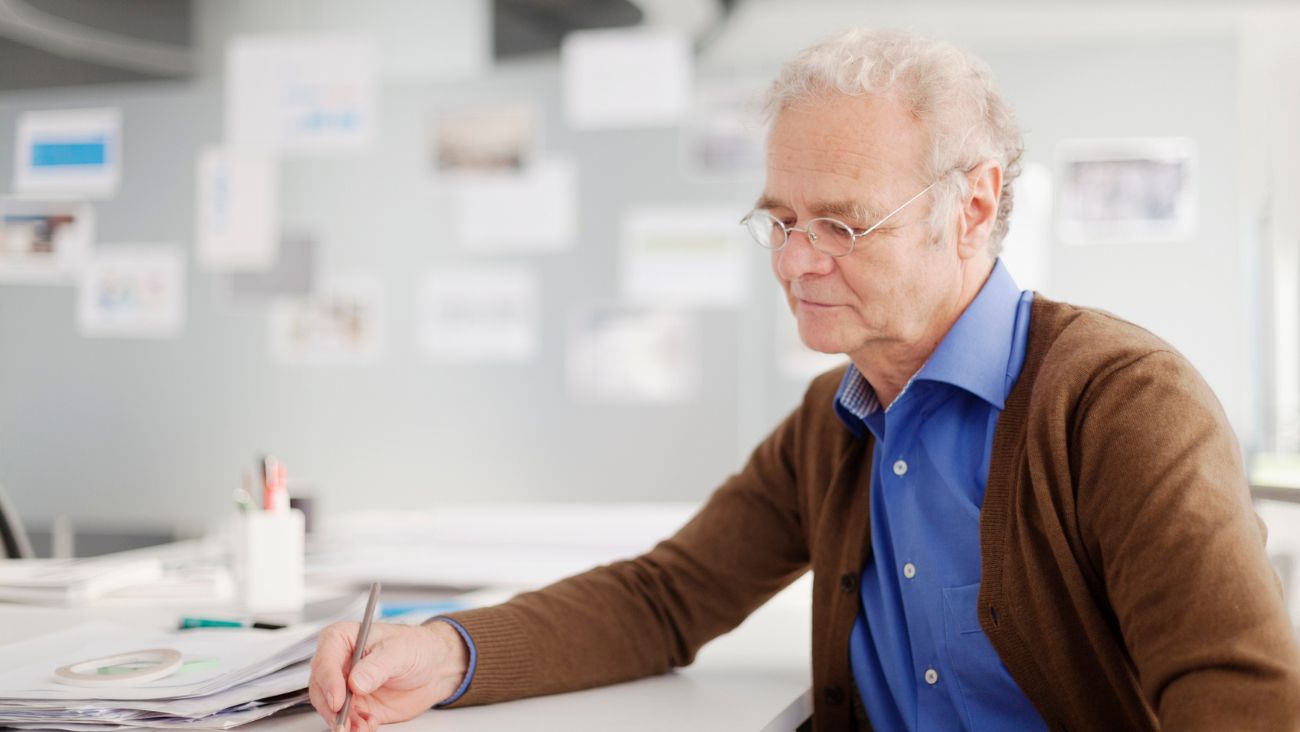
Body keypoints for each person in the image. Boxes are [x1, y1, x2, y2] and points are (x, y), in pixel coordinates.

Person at [309, 28, 1300, 731]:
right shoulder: (833, 420)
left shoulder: (1119, 403)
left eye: (840, 223)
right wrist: (440, 652)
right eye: (780, 221)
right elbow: (666, 597)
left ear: (971, 205)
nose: (791, 263)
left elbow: (1240, 700)